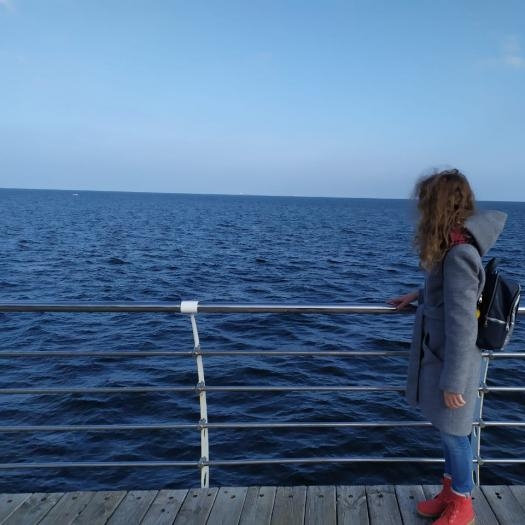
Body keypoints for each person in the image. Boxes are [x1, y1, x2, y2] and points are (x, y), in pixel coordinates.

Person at [389, 169, 507, 525]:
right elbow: (451, 296)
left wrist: (454, 382)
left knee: (455, 435)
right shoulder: (454, 247)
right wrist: (418, 294)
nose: (421, 209)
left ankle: (462, 502)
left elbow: (462, 323)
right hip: (444, 359)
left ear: (439, 205)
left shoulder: (459, 254)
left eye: (426, 202)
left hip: (453, 365)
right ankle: (450, 491)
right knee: (448, 432)